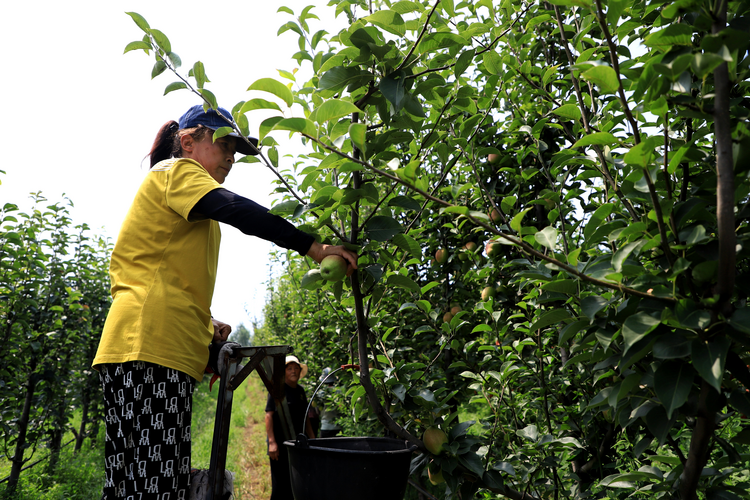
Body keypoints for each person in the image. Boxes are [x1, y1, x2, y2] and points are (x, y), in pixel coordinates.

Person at [92, 105, 358, 500]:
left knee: (132, 485)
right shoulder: (176, 172)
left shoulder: (186, 202)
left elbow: (165, 278)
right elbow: (239, 210)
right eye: (224, 145)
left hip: (142, 347)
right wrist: (312, 246)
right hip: (149, 348)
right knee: (157, 488)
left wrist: (206, 332)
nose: (232, 157)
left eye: (236, 149)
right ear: (188, 141)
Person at [265, 355, 315, 500]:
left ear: (300, 371)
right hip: (280, 444)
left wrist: (312, 438)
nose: (293, 371)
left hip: (297, 443)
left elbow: (305, 417)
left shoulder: (300, 391)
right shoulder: (277, 391)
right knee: (280, 484)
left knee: (295, 482)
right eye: (289, 368)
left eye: (296, 368)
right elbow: (269, 416)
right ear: (284, 372)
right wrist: (272, 443)